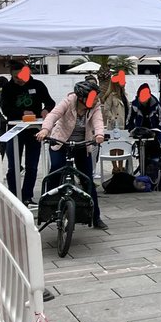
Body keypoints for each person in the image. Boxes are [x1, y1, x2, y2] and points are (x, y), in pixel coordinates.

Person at [36, 80, 108, 230]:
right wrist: (45, 130)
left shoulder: (95, 106)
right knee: (56, 169)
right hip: (61, 142)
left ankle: (96, 217)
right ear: (81, 97)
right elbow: (53, 115)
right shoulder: (68, 101)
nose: (95, 100)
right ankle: (50, 206)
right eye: (92, 97)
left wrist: (99, 135)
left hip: (82, 144)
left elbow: (98, 121)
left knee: (87, 178)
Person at [0, 59, 55, 205]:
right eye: (15, 77)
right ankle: (14, 195)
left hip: (34, 129)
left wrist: (45, 110)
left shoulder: (37, 85)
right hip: (15, 129)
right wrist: (22, 111)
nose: (19, 80)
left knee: (32, 165)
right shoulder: (8, 88)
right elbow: (5, 109)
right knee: (13, 165)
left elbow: (50, 102)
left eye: (21, 77)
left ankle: (27, 196)